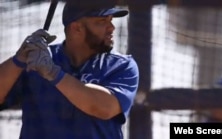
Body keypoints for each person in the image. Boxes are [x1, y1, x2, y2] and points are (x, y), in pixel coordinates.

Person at [0, 0, 139, 139]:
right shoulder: (38, 60)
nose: (111, 28)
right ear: (76, 28)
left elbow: (104, 108)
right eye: (102, 21)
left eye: (111, 20)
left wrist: (53, 73)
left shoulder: (121, 65)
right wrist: (18, 60)